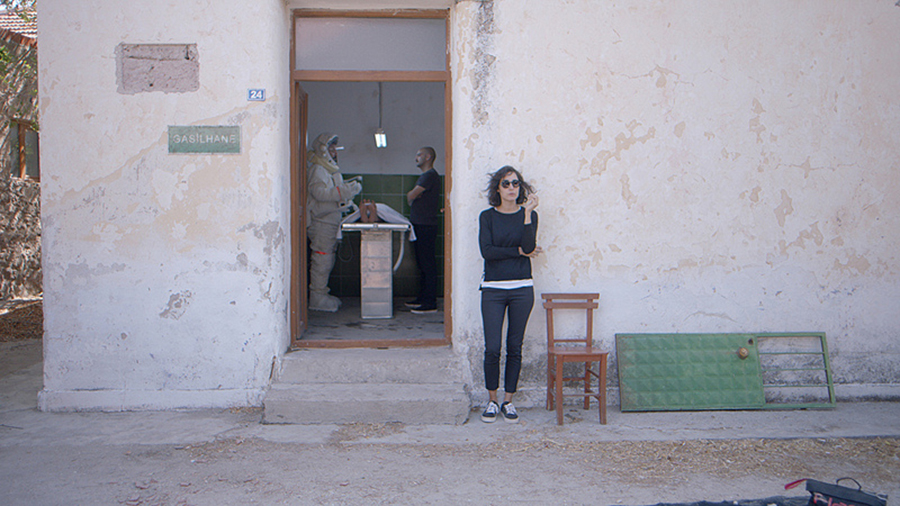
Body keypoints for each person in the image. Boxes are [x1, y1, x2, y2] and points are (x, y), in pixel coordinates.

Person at [478, 165, 541, 423]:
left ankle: (508, 401)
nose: (511, 188)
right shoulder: (487, 217)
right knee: (493, 348)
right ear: (497, 188)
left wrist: (527, 214)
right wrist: (518, 252)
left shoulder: (530, 215)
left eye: (516, 183)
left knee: (515, 347)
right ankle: (492, 400)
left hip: (522, 288)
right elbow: (487, 252)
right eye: (506, 183)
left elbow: (529, 245)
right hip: (493, 289)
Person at [306, 133, 362, 312]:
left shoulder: (328, 170)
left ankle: (322, 293)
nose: (334, 152)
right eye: (330, 148)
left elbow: (332, 192)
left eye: (335, 148)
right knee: (322, 259)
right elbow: (319, 193)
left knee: (327, 258)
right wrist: (342, 192)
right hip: (321, 221)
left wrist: (347, 192)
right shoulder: (318, 169)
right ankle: (317, 297)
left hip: (330, 220)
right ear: (322, 149)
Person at [405, 147, 441, 314]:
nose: (416, 158)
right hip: (422, 224)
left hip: (425, 225)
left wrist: (412, 195)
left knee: (427, 264)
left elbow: (411, 196)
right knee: (422, 263)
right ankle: (423, 298)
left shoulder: (429, 176)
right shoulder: (427, 176)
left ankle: (429, 302)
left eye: (419, 155)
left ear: (428, 157)